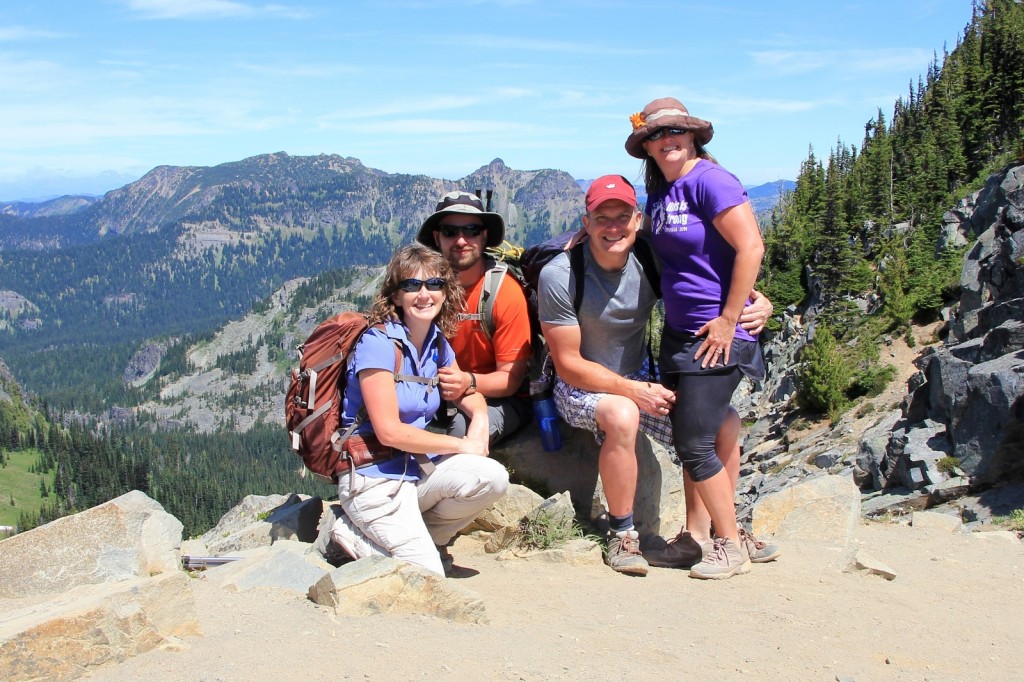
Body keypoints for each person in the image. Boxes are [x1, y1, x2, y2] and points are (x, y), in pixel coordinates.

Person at [538, 175, 772, 576]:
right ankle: (622, 533)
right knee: (622, 415)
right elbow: (568, 364)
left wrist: (759, 302)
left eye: (622, 216)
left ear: (638, 219)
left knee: (723, 422)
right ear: (586, 222)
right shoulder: (561, 275)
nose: (613, 226)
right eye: (602, 217)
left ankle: (715, 532)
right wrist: (632, 391)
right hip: (579, 385)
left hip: (639, 376)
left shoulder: (650, 259)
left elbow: (704, 283)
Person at [626, 97, 773, 580]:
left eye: (675, 133)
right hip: (681, 332)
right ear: (646, 145)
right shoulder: (665, 192)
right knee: (707, 427)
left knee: (692, 441)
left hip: (714, 334)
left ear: (692, 138)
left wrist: (733, 316)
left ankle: (729, 545)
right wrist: (580, 237)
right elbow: (691, 254)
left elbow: (751, 245)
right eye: (656, 135)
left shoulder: (710, 180)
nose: (666, 141)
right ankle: (698, 536)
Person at [325, 243, 510, 576]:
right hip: (372, 481)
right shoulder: (378, 344)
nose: (424, 294)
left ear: (445, 292)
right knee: (428, 577)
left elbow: (467, 392)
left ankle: (428, 540)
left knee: (492, 477)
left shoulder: (436, 343)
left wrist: (480, 419)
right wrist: (461, 445)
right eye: (412, 285)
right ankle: (345, 534)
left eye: (435, 284)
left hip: (412, 474)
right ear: (396, 296)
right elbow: (389, 431)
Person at [416, 190, 532, 445]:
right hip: (441, 393)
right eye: (450, 231)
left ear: (484, 236)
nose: (461, 240)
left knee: (463, 429)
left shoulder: (504, 292)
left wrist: (467, 382)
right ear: (437, 237)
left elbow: (510, 380)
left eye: (471, 230)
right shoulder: (423, 288)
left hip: (501, 398)